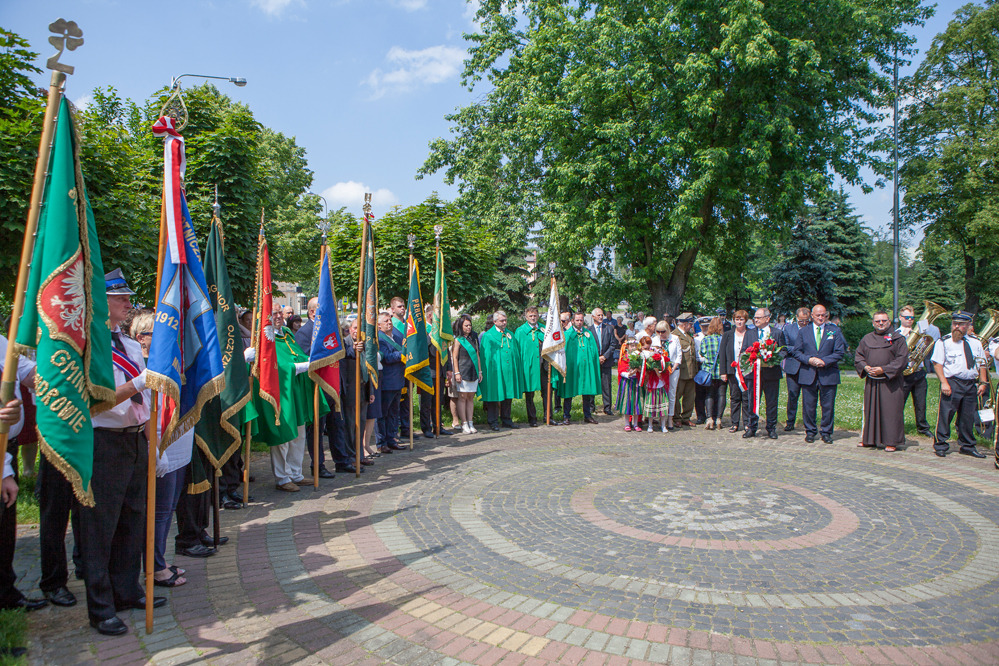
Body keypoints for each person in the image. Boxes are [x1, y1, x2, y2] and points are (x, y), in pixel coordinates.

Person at [81, 269, 163, 636]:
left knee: (133, 519)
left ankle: (127, 589)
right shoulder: (89, 345)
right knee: (101, 527)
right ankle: (100, 607)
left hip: (134, 439)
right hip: (104, 442)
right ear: (101, 301)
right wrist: (139, 381)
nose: (129, 304)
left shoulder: (129, 345)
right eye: (121, 298)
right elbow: (98, 402)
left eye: (128, 298)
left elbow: (144, 400)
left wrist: (152, 445)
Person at [250, 304, 330, 491]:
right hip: (281, 392)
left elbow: (297, 354)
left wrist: (308, 361)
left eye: (280, 313)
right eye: (274, 313)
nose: (278, 316)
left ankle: (296, 473)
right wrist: (299, 366)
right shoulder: (264, 339)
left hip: (297, 390)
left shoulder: (286, 334)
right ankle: (282, 478)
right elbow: (273, 366)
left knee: (300, 433)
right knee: (283, 434)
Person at [0, 335, 47, 619]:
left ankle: (6, 594)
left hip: (7, 445)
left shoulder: (2, 342)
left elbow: (30, 374)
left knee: (5, 532)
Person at [931, 311, 989, 458]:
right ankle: (941, 444)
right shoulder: (944, 341)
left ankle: (967, 445)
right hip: (952, 382)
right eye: (954, 324)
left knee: (967, 416)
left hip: (970, 383)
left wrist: (983, 382)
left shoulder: (975, 343)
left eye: (961, 324)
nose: (956, 327)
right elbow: (937, 364)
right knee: (946, 414)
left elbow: (982, 363)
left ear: (968, 325)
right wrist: (944, 383)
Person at [789, 304, 847, 443]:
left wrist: (824, 361)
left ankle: (826, 432)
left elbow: (839, 352)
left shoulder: (834, 331)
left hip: (828, 374)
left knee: (828, 406)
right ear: (812, 316)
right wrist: (809, 360)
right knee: (808, 406)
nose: (821, 318)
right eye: (818, 315)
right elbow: (797, 352)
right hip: (808, 373)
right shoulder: (804, 331)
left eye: (823, 315)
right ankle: (810, 431)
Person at [854, 311, 909, 451]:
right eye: (877, 321)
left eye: (884, 320)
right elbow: (859, 356)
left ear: (889, 322)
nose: (881, 323)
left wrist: (884, 369)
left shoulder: (898, 339)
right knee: (871, 410)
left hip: (890, 381)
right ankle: (870, 439)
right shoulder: (867, 338)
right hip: (872, 381)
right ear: (873, 323)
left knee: (891, 411)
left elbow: (902, 360)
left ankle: (891, 441)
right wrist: (865, 367)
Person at [295, 297, 335, 480]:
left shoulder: (328, 330)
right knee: (316, 430)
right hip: (315, 387)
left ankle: (342, 459)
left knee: (336, 425)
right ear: (312, 312)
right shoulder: (304, 333)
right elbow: (305, 359)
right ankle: (317, 465)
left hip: (331, 384)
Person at [744, 308, 786, 439]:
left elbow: (784, 350)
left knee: (771, 402)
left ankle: (771, 428)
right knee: (753, 401)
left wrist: (775, 360)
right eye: (755, 317)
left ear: (767, 319)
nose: (755, 320)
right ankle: (752, 427)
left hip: (771, 373)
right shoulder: (749, 333)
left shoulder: (777, 333)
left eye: (759, 317)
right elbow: (745, 350)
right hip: (754, 374)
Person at [480, 311, 525, 430]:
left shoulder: (510, 334)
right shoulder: (488, 336)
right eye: (502, 321)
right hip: (495, 371)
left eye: (505, 320)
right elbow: (486, 356)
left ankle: (506, 419)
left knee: (507, 394)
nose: (504, 323)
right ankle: (493, 421)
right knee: (494, 395)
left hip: (508, 370)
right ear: (495, 322)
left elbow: (515, 351)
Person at [898, 304, 936, 437]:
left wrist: (925, 342)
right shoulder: (896, 334)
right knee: (899, 402)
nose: (910, 320)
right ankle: (896, 426)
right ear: (900, 317)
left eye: (912, 318)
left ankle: (923, 427)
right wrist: (908, 338)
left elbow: (925, 351)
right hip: (904, 373)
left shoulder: (921, 333)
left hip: (918, 371)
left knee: (921, 402)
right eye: (907, 317)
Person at [557, 312, 601, 425]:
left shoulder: (588, 334)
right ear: (572, 321)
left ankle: (587, 415)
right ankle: (566, 416)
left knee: (586, 391)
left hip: (585, 368)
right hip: (572, 368)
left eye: (581, 320)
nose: (579, 322)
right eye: (577, 320)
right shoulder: (567, 334)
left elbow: (593, 352)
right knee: (569, 391)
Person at [419, 303, 453, 438]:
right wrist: (430, 336)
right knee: (427, 402)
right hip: (429, 372)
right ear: (430, 316)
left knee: (438, 402)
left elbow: (446, 352)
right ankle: (426, 428)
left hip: (441, 372)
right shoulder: (425, 331)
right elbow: (423, 352)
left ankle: (438, 426)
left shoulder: (441, 332)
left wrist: (449, 368)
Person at [376, 312, 408, 452]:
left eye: (390, 320)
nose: (389, 323)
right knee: (383, 413)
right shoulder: (380, 339)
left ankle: (391, 438)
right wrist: (402, 354)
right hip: (387, 382)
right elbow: (386, 358)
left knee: (394, 413)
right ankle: (382, 442)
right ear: (379, 325)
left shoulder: (396, 337)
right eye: (386, 321)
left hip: (398, 380)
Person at [514, 306, 549, 427]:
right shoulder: (520, 331)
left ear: (538, 316)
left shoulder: (544, 328)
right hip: (528, 367)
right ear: (526, 317)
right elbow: (517, 350)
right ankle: (532, 418)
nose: (533, 318)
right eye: (530, 316)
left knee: (547, 392)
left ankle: (548, 416)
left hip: (544, 366)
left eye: (535, 315)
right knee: (530, 393)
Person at [718, 310, 751, 432]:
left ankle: (747, 423)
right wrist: (723, 372)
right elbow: (722, 353)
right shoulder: (728, 334)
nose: (739, 322)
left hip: (747, 370)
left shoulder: (750, 333)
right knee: (735, 397)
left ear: (745, 320)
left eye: (741, 319)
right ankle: (735, 423)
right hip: (732, 370)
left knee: (746, 397)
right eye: (737, 319)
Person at [389, 297, 417, 441]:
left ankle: (407, 428)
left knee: (407, 400)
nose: (402, 309)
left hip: (408, 367)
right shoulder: (391, 326)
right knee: (397, 402)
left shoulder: (407, 325)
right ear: (392, 309)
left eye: (403, 306)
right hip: (396, 368)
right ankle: (395, 430)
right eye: (399, 306)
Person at [451, 315, 482, 433]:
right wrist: (457, 372)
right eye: (466, 325)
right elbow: (454, 357)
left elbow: (477, 355)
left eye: (470, 325)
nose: (469, 327)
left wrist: (480, 371)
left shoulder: (473, 338)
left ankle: (470, 422)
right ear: (461, 326)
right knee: (462, 397)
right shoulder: (458, 339)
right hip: (462, 371)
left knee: (470, 398)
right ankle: (463, 423)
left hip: (473, 371)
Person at [782, 307, 811, 431]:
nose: (804, 324)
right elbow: (784, 347)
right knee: (792, 396)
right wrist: (799, 349)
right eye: (801, 321)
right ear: (796, 318)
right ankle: (790, 421)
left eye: (806, 321)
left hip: (808, 367)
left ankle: (808, 423)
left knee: (808, 397)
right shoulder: (788, 329)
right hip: (793, 366)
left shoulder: (812, 329)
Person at [671, 313, 699, 428]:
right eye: (689, 324)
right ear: (684, 324)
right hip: (680, 371)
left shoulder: (689, 335)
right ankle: (676, 418)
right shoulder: (674, 335)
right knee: (677, 396)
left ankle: (686, 417)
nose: (691, 326)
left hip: (691, 371)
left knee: (689, 397)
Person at [699, 317, 726, 430]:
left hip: (709, 371)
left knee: (709, 394)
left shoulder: (705, 339)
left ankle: (709, 418)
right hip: (721, 371)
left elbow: (702, 353)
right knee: (721, 395)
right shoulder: (724, 339)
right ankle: (719, 418)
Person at [638, 336, 669, 432]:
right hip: (650, 382)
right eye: (645, 348)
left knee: (662, 403)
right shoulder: (641, 356)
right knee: (651, 403)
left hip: (659, 382)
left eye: (648, 347)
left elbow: (663, 365)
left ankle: (663, 425)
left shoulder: (657, 354)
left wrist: (657, 367)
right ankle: (650, 425)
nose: (647, 350)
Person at [590, 308, 616, 416]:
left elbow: (613, 344)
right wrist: (597, 358)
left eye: (602, 315)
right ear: (593, 317)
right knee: (592, 384)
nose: (601, 317)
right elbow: (588, 347)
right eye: (598, 315)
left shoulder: (609, 329)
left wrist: (604, 356)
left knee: (606, 385)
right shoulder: (589, 331)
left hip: (606, 361)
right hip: (594, 362)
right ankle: (591, 407)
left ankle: (607, 407)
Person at [616, 334, 641, 431]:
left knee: (636, 403)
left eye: (635, 346)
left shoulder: (639, 357)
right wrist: (629, 374)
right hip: (627, 382)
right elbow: (621, 370)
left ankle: (635, 424)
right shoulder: (624, 357)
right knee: (628, 402)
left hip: (636, 382)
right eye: (631, 346)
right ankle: (627, 423)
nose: (633, 348)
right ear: (627, 347)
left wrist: (638, 369)